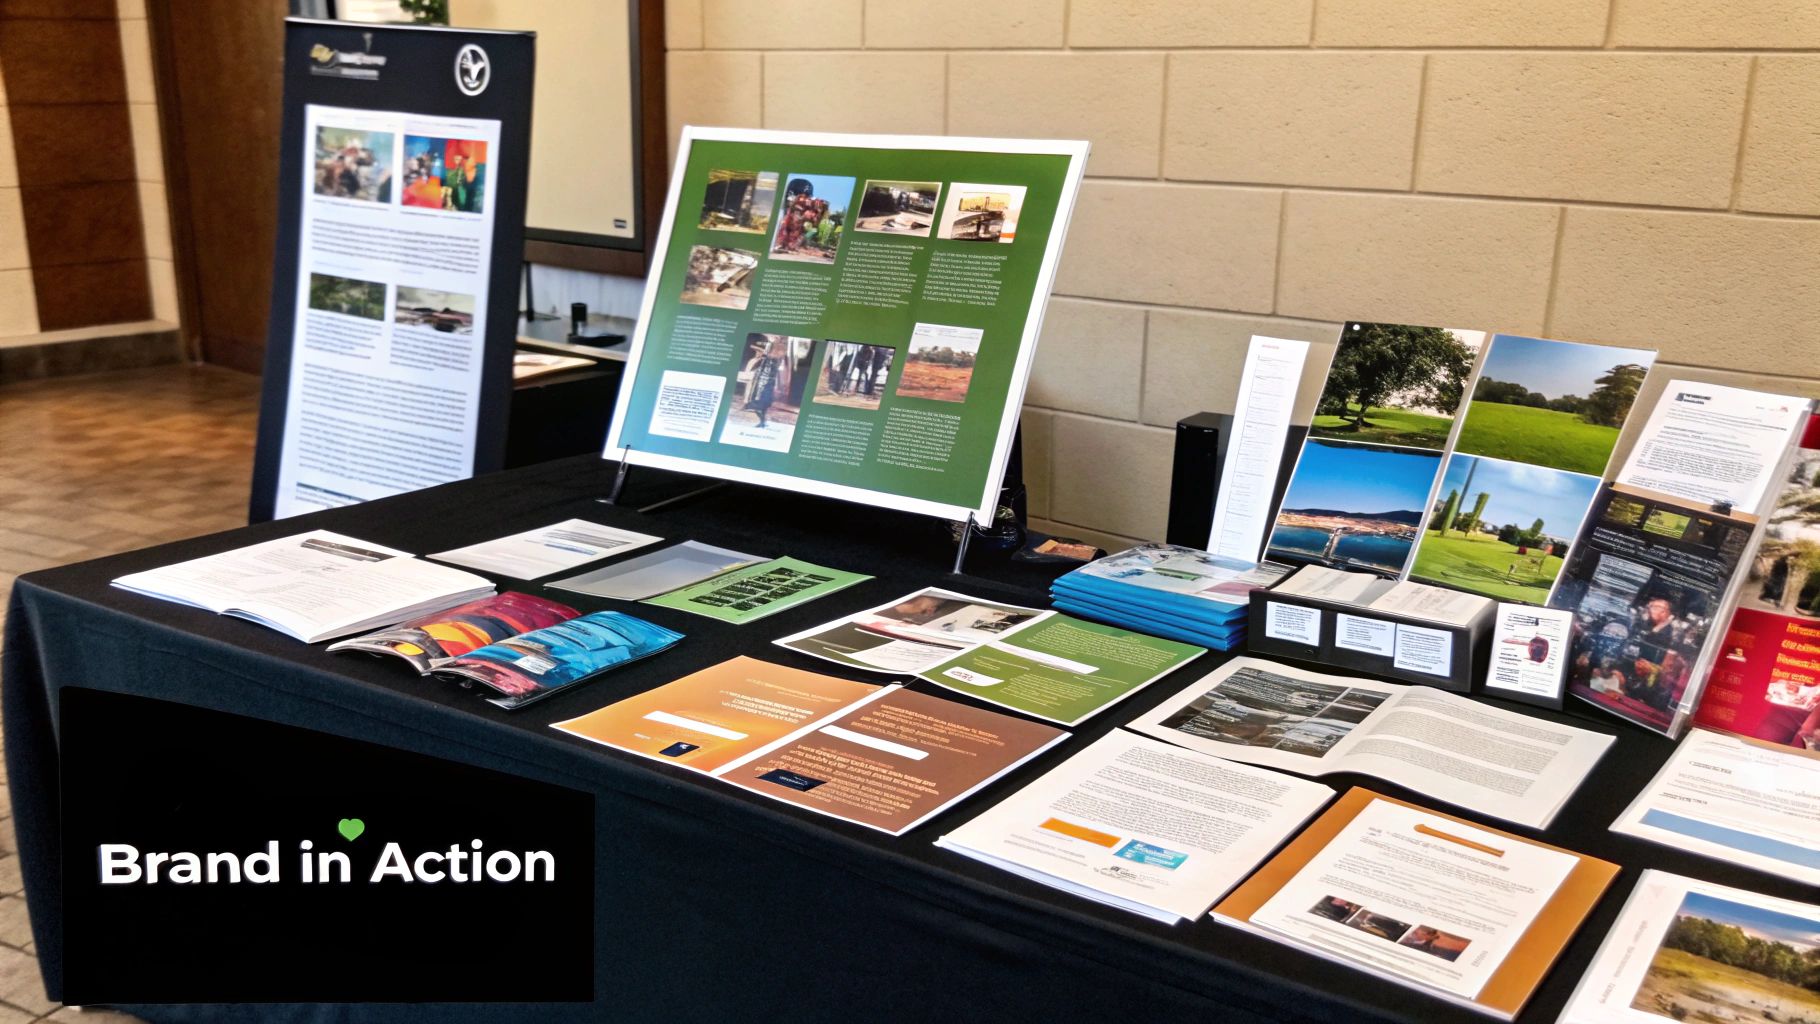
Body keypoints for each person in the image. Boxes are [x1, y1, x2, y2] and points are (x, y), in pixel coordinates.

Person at [744, 339, 784, 429]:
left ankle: (762, 422)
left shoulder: (775, 358)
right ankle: (762, 422)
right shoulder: (768, 358)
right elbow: (753, 346)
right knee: (759, 405)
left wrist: (768, 348)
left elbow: (771, 357)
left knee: (761, 404)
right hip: (762, 382)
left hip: (766, 383)